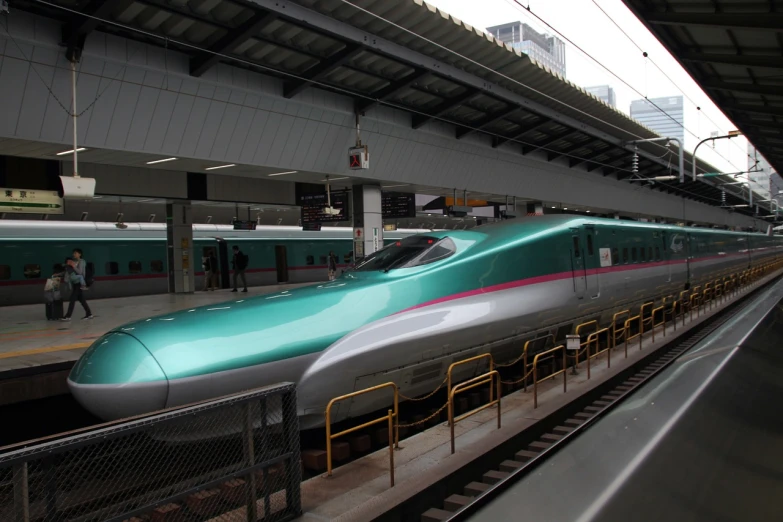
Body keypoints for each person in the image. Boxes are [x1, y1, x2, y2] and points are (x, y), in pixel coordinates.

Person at [61, 248, 93, 321]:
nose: (74, 254)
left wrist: (74, 266)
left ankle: (68, 316)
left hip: (79, 283)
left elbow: (80, 273)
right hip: (75, 283)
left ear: (80, 254)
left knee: (72, 299)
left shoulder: (82, 262)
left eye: (75, 253)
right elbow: (70, 271)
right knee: (82, 300)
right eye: (73, 253)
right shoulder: (74, 261)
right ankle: (89, 314)